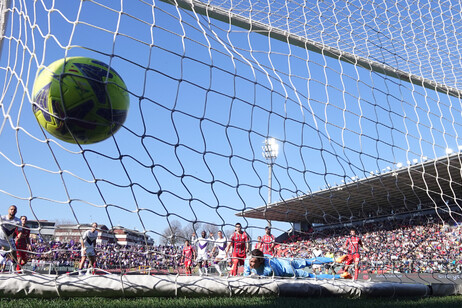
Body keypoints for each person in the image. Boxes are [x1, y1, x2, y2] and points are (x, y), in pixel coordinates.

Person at [243, 249, 339, 278]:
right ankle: (340, 273)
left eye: (253, 262)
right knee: (310, 262)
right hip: (287, 260)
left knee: (311, 274)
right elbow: (245, 275)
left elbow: (270, 275)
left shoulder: (267, 268)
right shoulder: (248, 261)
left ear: (260, 261)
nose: (251, 264)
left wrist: (255, 276)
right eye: (251, 261)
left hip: (288, 270)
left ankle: (336, 260)